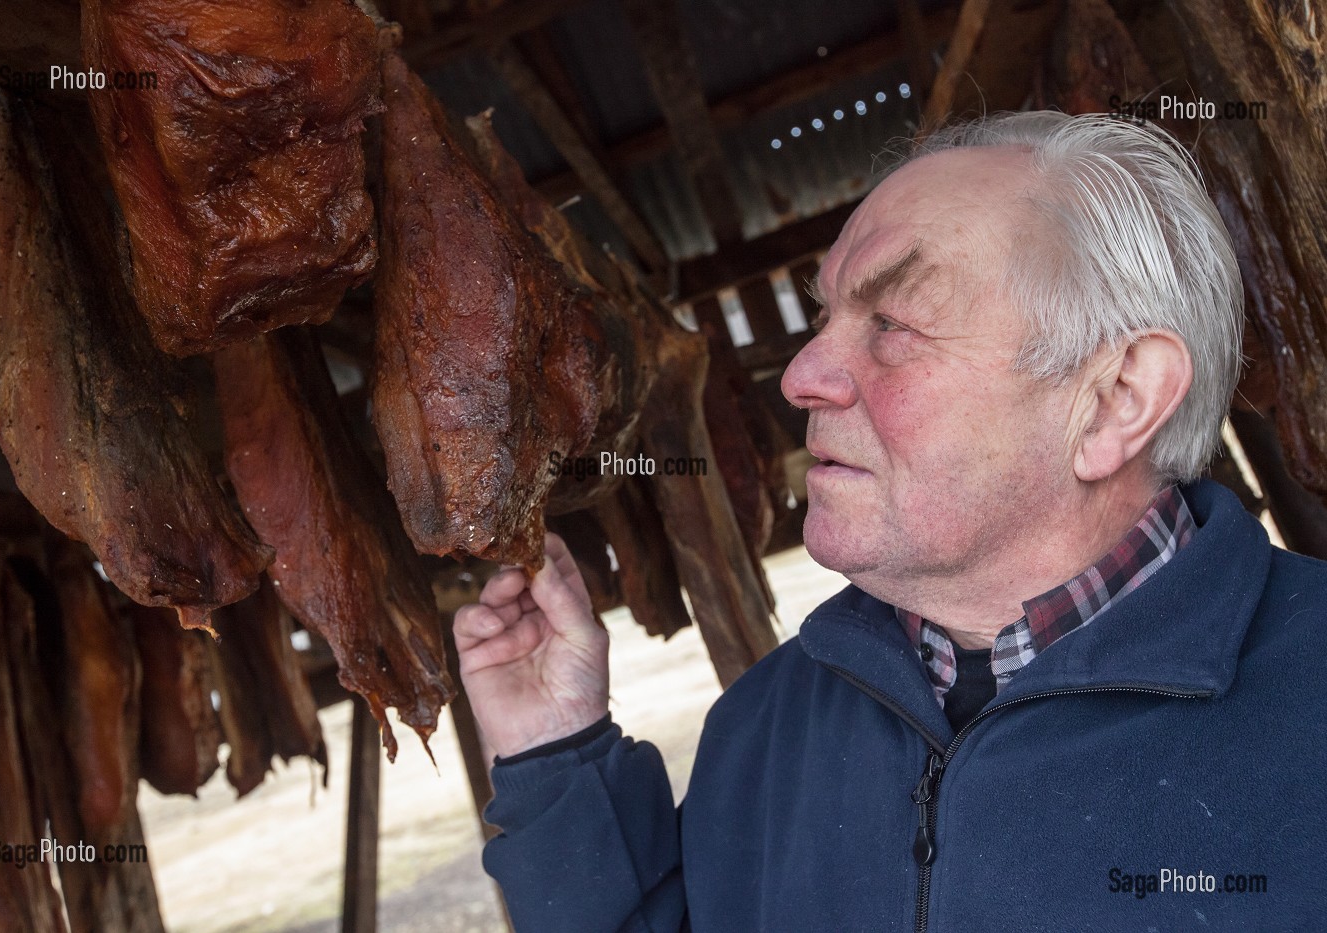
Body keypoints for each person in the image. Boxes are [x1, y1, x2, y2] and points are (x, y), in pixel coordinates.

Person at [451, 111, 1327, 931]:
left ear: (1114, 400)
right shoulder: (762, 730)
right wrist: (555, 752)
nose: (798, 375)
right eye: (827, 314)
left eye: (896, 324)